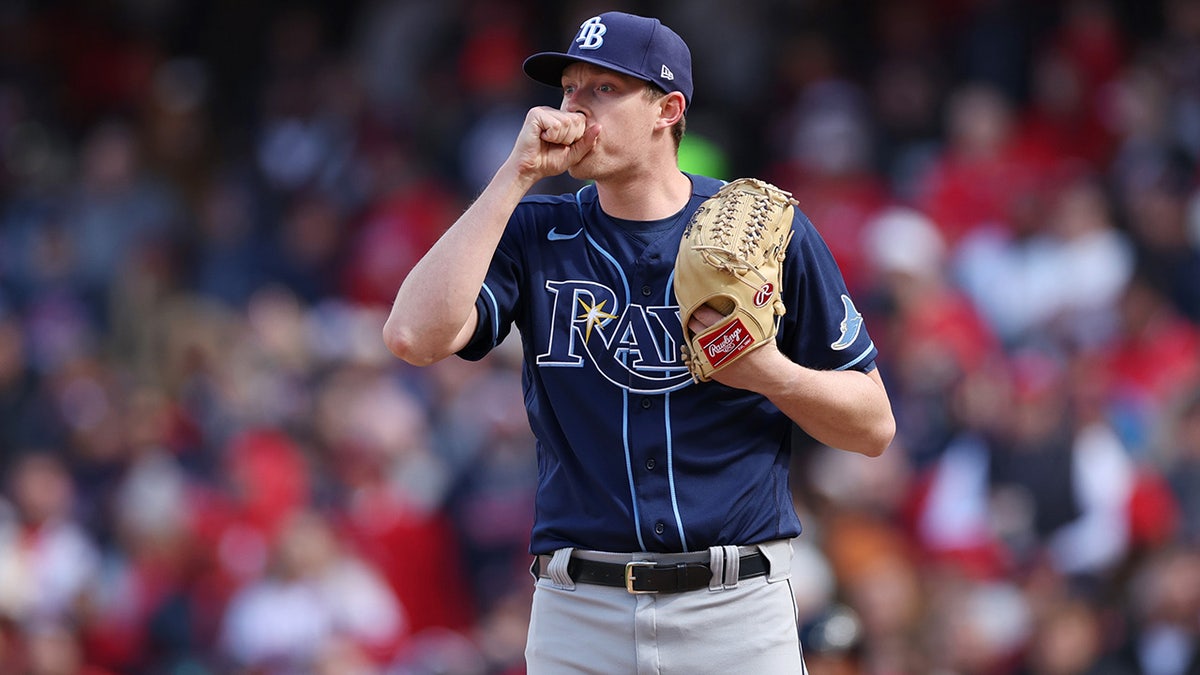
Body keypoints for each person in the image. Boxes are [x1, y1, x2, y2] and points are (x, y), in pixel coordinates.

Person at [383, 10, 894, 673]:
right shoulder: (534, 230)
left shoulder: (763, 233)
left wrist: (772, 373)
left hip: (733, 607)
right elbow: (410, 336)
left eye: (603, 89)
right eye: (569, 88)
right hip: (580, 611)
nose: (574, 109)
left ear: (667, 109)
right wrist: (513, 177)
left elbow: (874, 425)